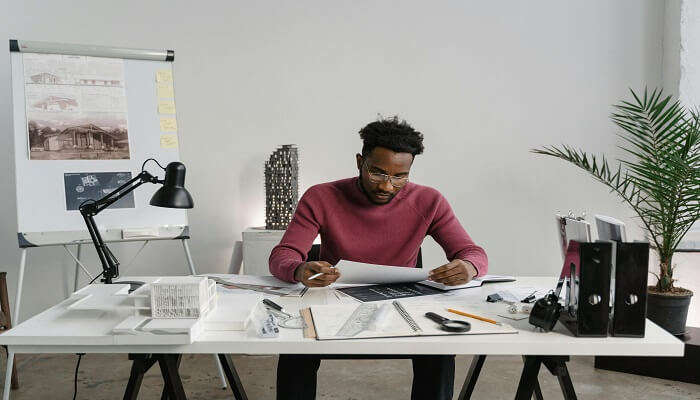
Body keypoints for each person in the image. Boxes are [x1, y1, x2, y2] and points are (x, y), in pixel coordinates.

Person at [269, 116, 488, 400]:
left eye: (399, 176)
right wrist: (300, 270)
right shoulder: (321, 197)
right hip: (333, 303)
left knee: (439, 348)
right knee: (295, 346)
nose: (387, 186)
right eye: (377, 173)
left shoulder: (429, 201)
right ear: (360, 162)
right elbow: (282, 255)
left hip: (403, 305)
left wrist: (468, 267)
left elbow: (473, 253)